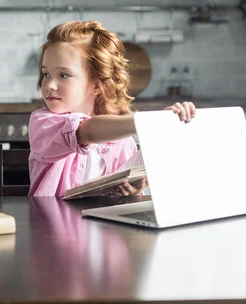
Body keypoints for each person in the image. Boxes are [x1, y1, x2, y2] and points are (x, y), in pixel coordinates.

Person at [28, 20, 195, 197]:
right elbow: (88, 132)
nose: (50, 85)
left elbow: (124, 194)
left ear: (97, 85)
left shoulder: (121, 140)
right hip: (52, 223)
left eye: (64, 75)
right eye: (46, 74)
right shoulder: (43, 124)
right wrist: (151, 122)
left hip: (103, 224)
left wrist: (133, 191)